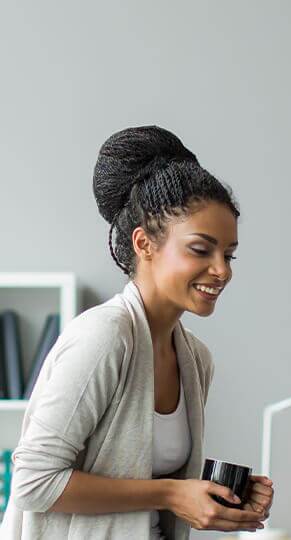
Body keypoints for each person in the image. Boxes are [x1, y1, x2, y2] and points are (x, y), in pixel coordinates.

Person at [1, 126, 274, 539]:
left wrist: (217, 494)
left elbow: (139, 474)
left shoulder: (195, 359)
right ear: (144, 243)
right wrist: (173, 494)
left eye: (229, 255)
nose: (222, 270)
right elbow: (33, 482)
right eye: (201, 249)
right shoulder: (104, 337)